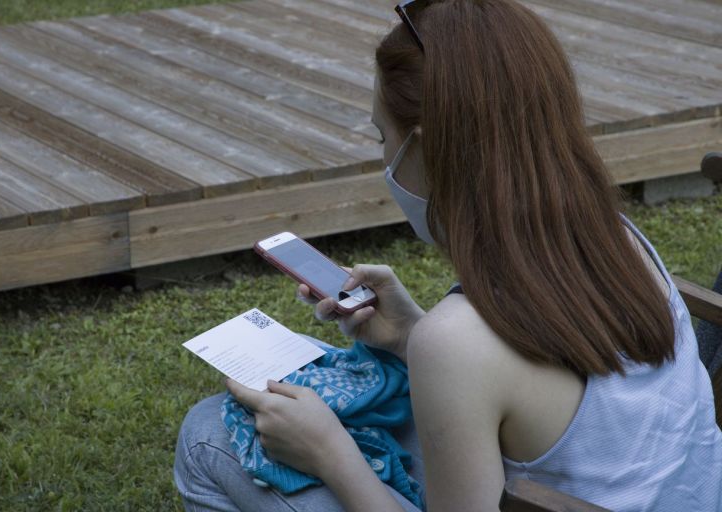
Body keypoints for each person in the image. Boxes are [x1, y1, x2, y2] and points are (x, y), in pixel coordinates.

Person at [174, 0, 722, 510]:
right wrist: (408, 333)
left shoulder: (458, 343)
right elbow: (546, 387)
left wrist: (328, 454)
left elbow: (483, 364)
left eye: (380, 137)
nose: (383, 158)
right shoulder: (614, 238)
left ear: (424, 148)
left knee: (209, 436)